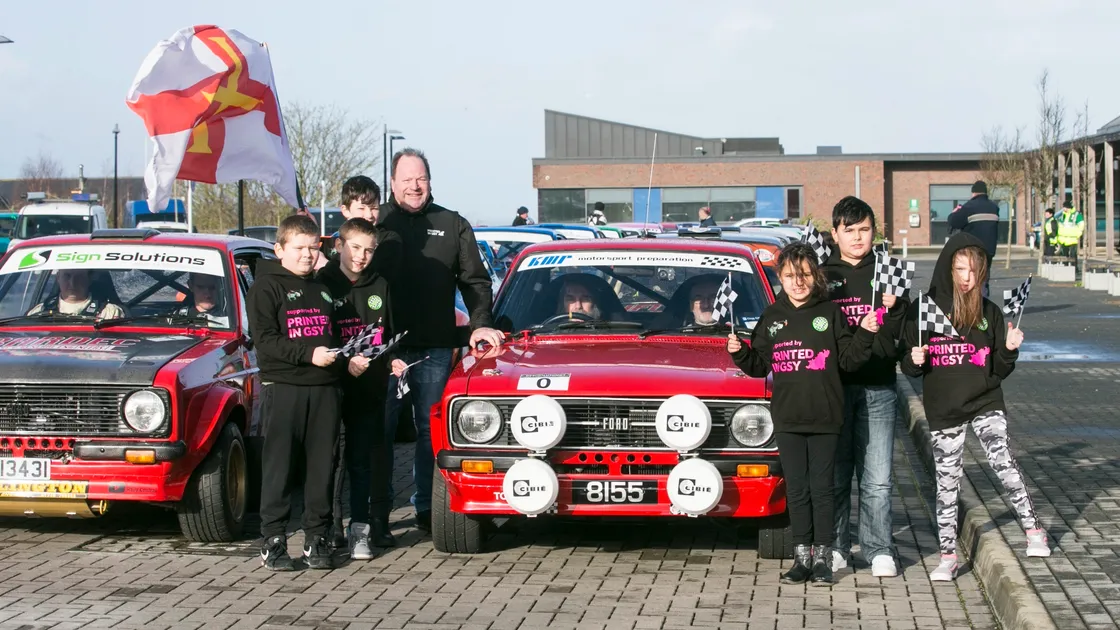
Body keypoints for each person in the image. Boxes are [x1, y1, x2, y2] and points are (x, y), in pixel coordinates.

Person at [900, 232, 1050, 582]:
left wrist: (1010, 349)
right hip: (944, 408)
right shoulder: (924, 309)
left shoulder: (990, 314)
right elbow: (908, 366)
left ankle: (1033, 529)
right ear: (948, 268)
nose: (966, 277)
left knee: (1002, 460)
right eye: (959, 268)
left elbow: (997, 370)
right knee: (947, 482)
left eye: (974, 270)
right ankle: (948, 555)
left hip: (985, 400)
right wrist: (914, 359)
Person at [726, 242, 878, 586]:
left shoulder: (830, 313)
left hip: (825, 416)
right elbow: (758, 366)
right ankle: (801, 557)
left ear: (816, 276)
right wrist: (739, 353)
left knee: (823, 488)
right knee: (796, 490)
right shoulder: (772, 317)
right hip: (789, 419)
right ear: (779, 277)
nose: (799, 282)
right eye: (792, 276)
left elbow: (849, 360)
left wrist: (866, 333)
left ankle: (824, 558)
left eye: (806, 275)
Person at [376, 148, 503, 533]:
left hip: (433, 347)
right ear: (393, 184)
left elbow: (475, 281)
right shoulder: (377, 222)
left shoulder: (452, 224)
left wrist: (480, 322)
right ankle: (375, 514)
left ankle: (428, 508)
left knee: (430, 432)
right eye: (407, 179)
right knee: (379, 432)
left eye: (421, 179)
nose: (415, 186)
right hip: (385, 351)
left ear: (430, 181)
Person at [250, 214, 369, 571]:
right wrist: (308, 354)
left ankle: (316, 538)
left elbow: (337, 336)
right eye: (299, 248)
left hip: (326, 391)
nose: (306, 255)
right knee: (280, 469)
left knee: (322, 468)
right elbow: (266, 342)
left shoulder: (324, 287)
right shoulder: (266, 287)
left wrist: (347, 359)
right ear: (280, 249)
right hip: (284, 389)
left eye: (312, 248)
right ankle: (273, 539)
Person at [822, 196, 908, 577]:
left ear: (873, 231)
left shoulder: (891, 271)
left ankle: (878, 549)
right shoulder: (822, 276)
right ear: (835, 233)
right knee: (837, 474)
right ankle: (839, 547)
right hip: (835, 389)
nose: (858, 237)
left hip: (879, 386)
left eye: (864, 230)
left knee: (877, 478)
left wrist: (899, 308)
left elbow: (907, 333)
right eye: (850, 230)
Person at [318, 218, 408, 559]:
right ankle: (327, 529)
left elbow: (386, 338)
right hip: (329, 386)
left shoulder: (380, 284)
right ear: (339, 246)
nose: (362, 256)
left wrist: (392, 360)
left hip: (368, 388)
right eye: (355, 247)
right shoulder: (322, 282)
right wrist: (343, 363)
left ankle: (360, 531)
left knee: (361, 461)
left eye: (369, 250)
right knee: (326, 460)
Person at [947, 182, 999, 297]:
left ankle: (972, 308)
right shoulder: (994, 208)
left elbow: (953, 222)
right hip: (989, 251)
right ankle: (984, 307)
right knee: (983, 280)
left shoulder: (968, 207)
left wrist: (954, 212)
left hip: (973, 250)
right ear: (986, 192)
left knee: (971, 279)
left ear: (973, 193)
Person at [28, 269, 126, 320]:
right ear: (58, 278)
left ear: (89, 279)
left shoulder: (110, 313)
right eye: (67, 276)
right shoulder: (39, 312)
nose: (72, 283)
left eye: (79, 277)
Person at [1055, 199, 1085, 264]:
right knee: (1064, 255)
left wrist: (1078, 234)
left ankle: (1074, 268)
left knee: (1073, 255)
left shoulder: (1076, 215)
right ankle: (1066, 267)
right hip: (1063, 239)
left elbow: (1081, 225)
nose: (1064, 209)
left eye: (1065, 207)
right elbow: (1059, 225)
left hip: (1072, 239)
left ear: (1069, 207)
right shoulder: (1062, 215)